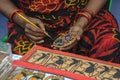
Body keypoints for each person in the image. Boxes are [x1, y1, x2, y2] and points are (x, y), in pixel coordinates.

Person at [0, 0, 120, 63]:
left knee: (108, 43)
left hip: (82, 17)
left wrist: (82, 22)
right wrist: (23, 21)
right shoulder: (27, 22)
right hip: (32, 24)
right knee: (22, 66)